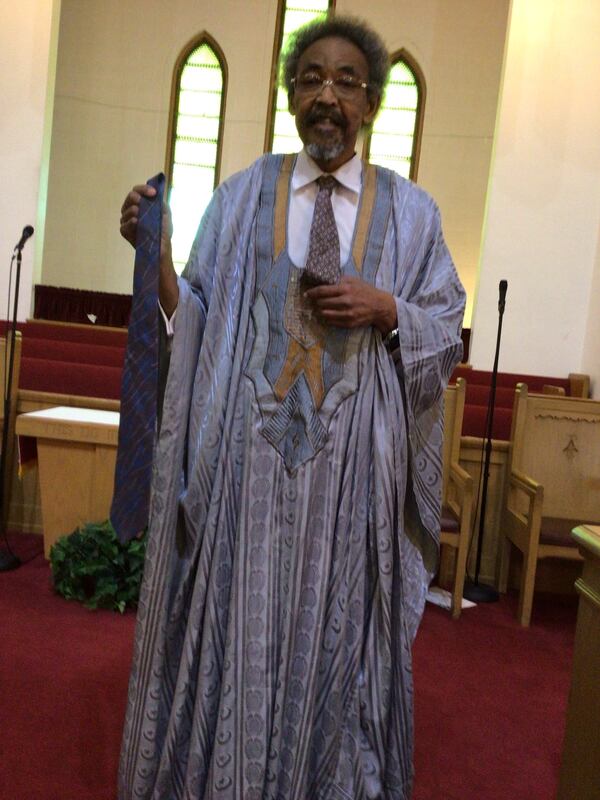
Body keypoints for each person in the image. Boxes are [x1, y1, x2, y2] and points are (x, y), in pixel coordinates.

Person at [118, 14, 465, 800]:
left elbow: (445, 330)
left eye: (345, 81)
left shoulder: (414, 217)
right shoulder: (242, 199)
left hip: (352, 495)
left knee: (338, 653)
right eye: (310, 79)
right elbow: (197, 316)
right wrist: (160, 261)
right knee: (240, 635)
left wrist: (388, 307)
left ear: (370, 103)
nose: (327, 96)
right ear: (291, 95)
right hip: (249, 477)